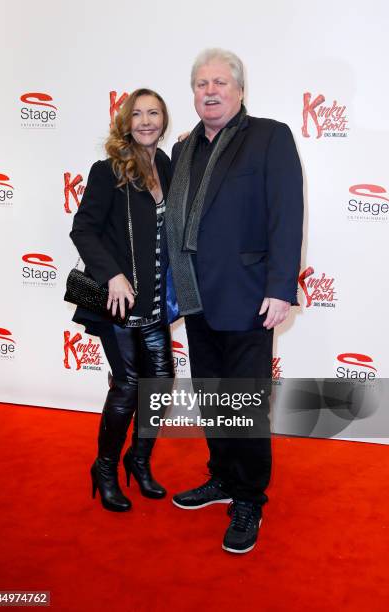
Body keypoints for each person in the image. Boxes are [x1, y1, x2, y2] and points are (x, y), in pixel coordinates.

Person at [165, 49, 303, 553]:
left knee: (244, 406)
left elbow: (286, 215)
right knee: (213, 398)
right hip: (196, 295)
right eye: (201, 83)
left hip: (248, 296)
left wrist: (280, 287)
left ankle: (249, 498)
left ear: (239, 90)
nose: (210, 90)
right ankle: (222, 478)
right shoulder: (184, 151)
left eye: (220, 81)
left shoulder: (270, 136)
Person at [70, 88, 174, 512]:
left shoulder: (165, 165)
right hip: (118, 302)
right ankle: (106, 467)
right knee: (128, 385)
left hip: (153, 302)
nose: (146, 121)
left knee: (161, 382)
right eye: (138, 114)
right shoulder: (107, 169)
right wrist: (111, 274)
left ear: (163, 121)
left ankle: (140, 459)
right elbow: (83, 229)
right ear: (125, 121)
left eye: (154, 114)